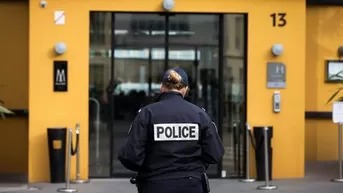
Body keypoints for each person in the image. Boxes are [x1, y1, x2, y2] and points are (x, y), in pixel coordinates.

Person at [117, 67, 225, 193]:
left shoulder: (147, 113)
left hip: (154, 184)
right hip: (191, 185)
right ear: (185, 89)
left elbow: (131, 156)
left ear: (162, 87)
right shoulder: (199, 114)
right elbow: (215, 154)